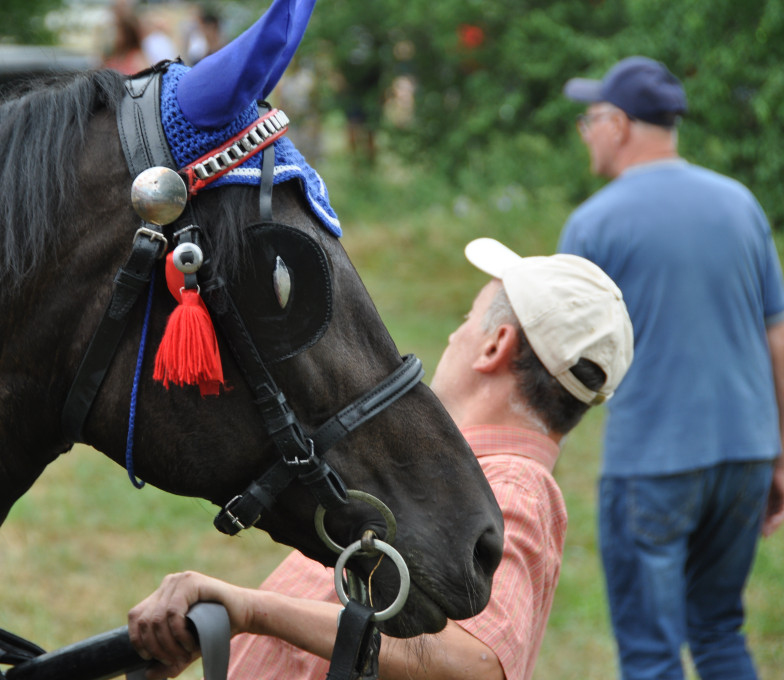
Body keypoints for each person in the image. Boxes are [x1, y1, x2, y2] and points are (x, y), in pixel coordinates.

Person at [127, 238, 635, 680]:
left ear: (495, 345)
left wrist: (250, 610)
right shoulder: (437, 488)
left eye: (467, 320)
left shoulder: (513, 486)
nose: (455, 335)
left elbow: (478, 662)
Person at [558, 56, 784, 680]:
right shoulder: (741, 204)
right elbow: (777, 337)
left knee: (652, 656)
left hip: (653, 466)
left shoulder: (595, 222)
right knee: (720, 633)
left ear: (621, 124)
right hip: (745, 456)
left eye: (591, 117)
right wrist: (780, 454)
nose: (585, 131)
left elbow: (555, 355)